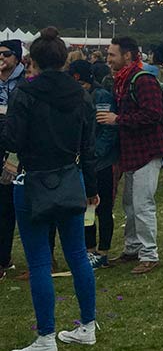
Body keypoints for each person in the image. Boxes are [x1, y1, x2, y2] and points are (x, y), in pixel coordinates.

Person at [1, 28, 100, 349]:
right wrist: (92, 185)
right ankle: (87, 325)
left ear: (34, 60)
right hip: (71, 177)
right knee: (77, 256)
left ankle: (46, 336)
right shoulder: (82, 95)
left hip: (32, 180)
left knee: (40, 261)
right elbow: (89, 146)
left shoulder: (25, 95)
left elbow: (13, 140)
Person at [98, 36, 163, 275]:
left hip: (147, 150)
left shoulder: (143, 80)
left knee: (142, 204)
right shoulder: (122, 80)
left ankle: (149, 254)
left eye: (112, 55)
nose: (108, 59)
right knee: (129, 204)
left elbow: (153, 114)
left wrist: (118, 120)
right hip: (131, 152)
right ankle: (133, 248)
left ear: (127, 56)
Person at [70, 59, 116, 270]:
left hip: (101, 162)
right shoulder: (78, 95)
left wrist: (95, 152)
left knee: (103, 208)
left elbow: (107, 129)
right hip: (86, 162)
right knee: (87, 208)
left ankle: (103, 252)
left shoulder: (101, 96)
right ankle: (90, 250)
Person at [0, 39, 27, 278]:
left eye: (6, 54)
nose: (1, 59)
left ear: (17, 57)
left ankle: (4, 257)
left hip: (16, 150)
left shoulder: (25, 81)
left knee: (7, 203)